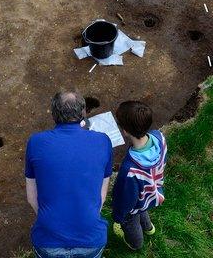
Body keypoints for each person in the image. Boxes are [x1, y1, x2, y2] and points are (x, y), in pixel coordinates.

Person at [25, 91, 114, 258]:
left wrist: (51, 220)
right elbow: (102, 191)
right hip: (91, 238)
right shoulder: (103, 140)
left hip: (48, 239)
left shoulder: (35, 142)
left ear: (53, 114)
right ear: (83, 113)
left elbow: (31, 197)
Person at [110, 101, 167, 252]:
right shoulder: (160, 138)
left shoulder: (130, 169)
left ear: (125, 131)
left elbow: (125, 199)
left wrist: (118, 216)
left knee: (131, 221)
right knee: (143, 208)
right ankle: (149, 228)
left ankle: (135, 244)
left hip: (135, 203)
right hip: (153, 191)